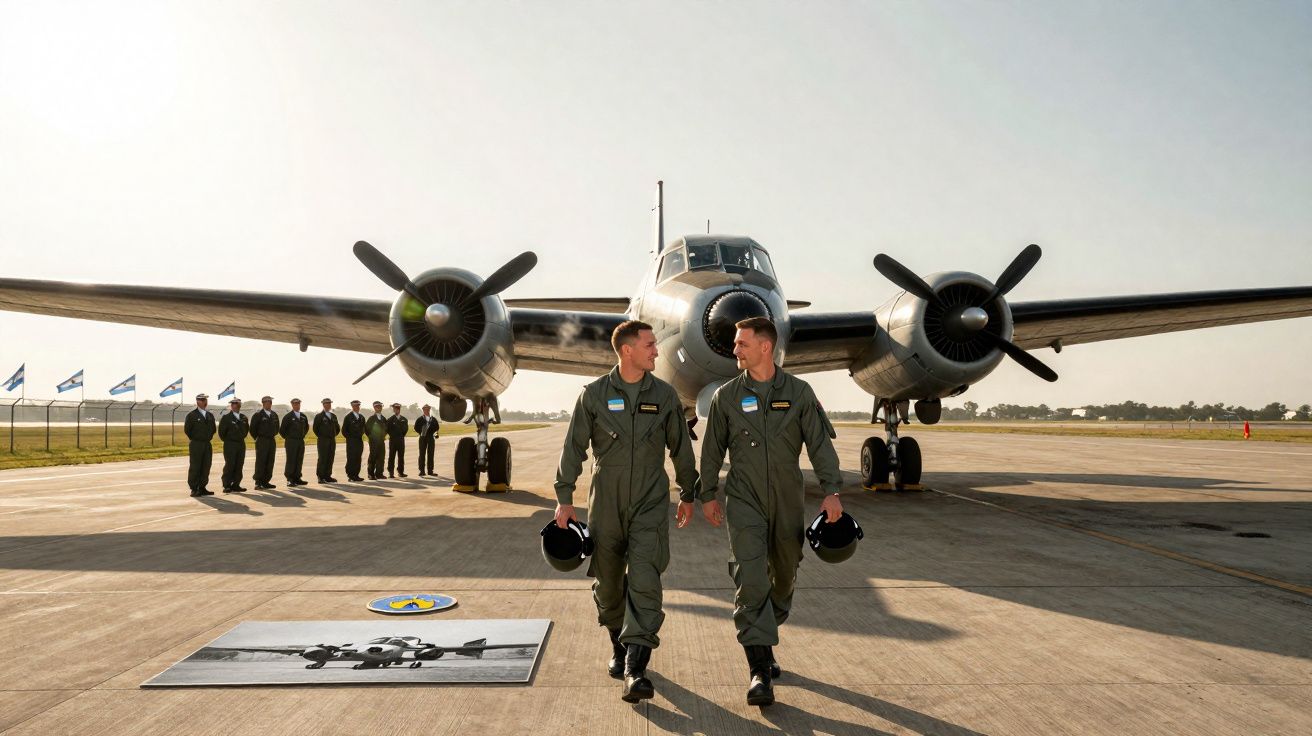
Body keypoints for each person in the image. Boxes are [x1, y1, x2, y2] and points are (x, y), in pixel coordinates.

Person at [684, 316, 844, 707]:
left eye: (741, 344)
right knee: (751, 578)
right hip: (744, 499)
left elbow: (820, 445)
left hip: (788, 497)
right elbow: (711, 453)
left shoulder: (800, 392)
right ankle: (758, 669)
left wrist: (832, 491)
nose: (734, 349)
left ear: (765, 347)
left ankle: (766, 630)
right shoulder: (727, 396)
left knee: (785, 571)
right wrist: (706, 494)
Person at [555, 320, 698, 703]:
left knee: (646, 578)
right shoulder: (594, 395)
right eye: (650, 344)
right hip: (606, 498)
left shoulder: (665, 396)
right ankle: (619, 649)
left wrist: (688, 492)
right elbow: (573, 449)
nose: (656, 350)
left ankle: (636, 668)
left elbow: (681, 449)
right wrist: (564, 497)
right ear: (628, 350)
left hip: (651, 497)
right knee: (608, 581)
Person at [184, 393, 216, 496]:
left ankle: (202, 487)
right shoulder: (192, 415)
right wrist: (196, 438)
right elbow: (187, 430)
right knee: (195, 466)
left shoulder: (210, 415)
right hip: (196, 444)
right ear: (197, 401)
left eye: (205, 400)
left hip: (207, 444)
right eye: (202, 400)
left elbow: (213, 429)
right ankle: (194, 488)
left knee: (206, 466)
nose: (204, 402)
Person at [217, 397, 249, 493]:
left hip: (240, 444)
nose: (235, 405)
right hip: (230, 444)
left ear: (240, 405)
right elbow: (221, 433)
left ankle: (236, 484)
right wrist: (229, 440)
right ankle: (226, 485)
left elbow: (246, 430)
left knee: (239, 464)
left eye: (237, 404)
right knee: (230, 464)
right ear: (231, 406)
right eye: (233, 404)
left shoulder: (244, 418)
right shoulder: (226, 418)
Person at [249, 396, 279, 490]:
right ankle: (258, 482)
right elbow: (252, 429)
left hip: (271, 440)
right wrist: (257, 438)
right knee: (261, 461)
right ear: (263, 403)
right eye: (266, 402)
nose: (269, 403)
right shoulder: (258, 415)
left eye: (270, 402)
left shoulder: (274, 415)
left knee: (270, 461)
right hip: (262, 440)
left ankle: (266, 481)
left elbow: (277, 428)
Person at [280, 398, 309, 486]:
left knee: (299, 459)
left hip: (300, 441)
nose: (297, 405)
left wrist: (301, 435)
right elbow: (282, 430)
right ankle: (290, 479)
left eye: (298, 404)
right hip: (291, 441)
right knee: (291, 460)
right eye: (295, 404)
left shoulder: (303, 416)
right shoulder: (288, 416)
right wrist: (289, 438)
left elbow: (306, 428)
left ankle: (297, 477)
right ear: (292, 405)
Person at [314, 398, 340, 483]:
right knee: (322, 458)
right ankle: (321, 477)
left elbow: (337, 428)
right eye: (326, 403)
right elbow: (315, 429)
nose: (328, 405)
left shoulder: (333, 416)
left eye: (329, 403)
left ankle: (327, 476)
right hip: (323, 440)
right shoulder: (319, 416)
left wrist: (332, 435)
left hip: (332, 439)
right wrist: (323, 435)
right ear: (323, 405)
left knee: (330, 457)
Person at [342, 399, 366, 482]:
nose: (357, 407)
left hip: (359, 440)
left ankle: (356, 474)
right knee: (351, 458)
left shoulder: (362, 417)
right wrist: (350, 438)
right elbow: (344, 430)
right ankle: (350, 475)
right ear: (352, 406)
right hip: (351, 441)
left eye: (358, 405)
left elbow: (363, 428)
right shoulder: (348, 417)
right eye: (355, 406)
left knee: (358, 458)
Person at [414, 404, 440, 476]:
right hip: (422, 437)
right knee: (422, 454)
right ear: (423, 410)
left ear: (429, 410)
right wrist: (421, 432)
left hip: (431, 437)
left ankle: (430, 471)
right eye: (425, 409)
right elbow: (416, 427)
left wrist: (436, 434)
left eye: (428, 409)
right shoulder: (420, 419)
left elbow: (437, 428)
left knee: (431, 454)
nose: (427, 410)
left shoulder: (433, 419)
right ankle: (422, 471)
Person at [365, 401, 388, 480]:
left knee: (381, 457)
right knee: (373, 457)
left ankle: (379, 473)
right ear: (374, 408)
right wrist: (371, 437)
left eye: (380, 406)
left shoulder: (383, 418)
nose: (379, 408)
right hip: (374, 441)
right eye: (377, 406)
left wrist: (383, 436)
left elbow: (386, 429)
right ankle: (370, 474)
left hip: (381, 441)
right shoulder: (371, 418)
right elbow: (367, 429)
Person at [386, 402, 409, 478]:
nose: (396, 410)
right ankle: (391, 472)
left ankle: (401, 472)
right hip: (393, 440)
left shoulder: (404, 419)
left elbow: (405, 429)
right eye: (395, 409)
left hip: (401, 440)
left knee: (401, 457)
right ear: (393, 409)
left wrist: (400, 435)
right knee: (391, 456)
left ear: (399, 409)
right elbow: (388, 430)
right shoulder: (390, 419)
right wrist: (393, 435)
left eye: (397, 409)